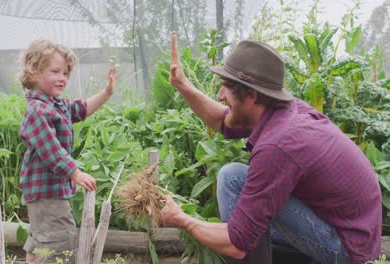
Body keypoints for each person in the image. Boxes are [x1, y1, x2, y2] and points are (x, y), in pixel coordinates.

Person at [159, 32, 382, 264]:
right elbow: (223, 122)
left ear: (252, 95)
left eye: (226, 87)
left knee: (238, 209)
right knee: (232, 177)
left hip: (347, 250)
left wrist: (182, 219)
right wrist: (182, 85)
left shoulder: (278, 145)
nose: (220, 95)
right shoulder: (283, 111)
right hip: (350, 230)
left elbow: (236, 244)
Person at [18, 39, 116, 263]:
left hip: (50, 190)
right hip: (46, 191)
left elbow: (81, 109)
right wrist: (76, 173)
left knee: (44, 237)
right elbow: (51, 150)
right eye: (55, 71)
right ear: (33, 72)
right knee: (59, 243)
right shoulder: (37, 110)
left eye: (65, 73)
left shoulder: (55, 104)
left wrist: (107, 92)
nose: (62, 77)